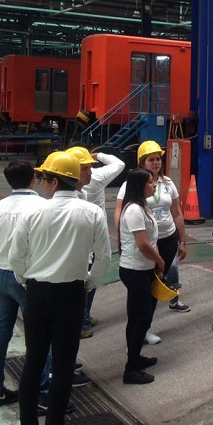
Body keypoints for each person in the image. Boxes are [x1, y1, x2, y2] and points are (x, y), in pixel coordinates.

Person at [9, 151, 111, 425]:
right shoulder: (91, 213)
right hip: (71, 294)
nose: (41, 182)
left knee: (33, 361)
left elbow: (15, 257)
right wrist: (88, 283)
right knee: (63, 366)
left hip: (37, 293)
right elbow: (104, 258)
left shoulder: (32, 213)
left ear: (54, 182)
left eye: (44, 178)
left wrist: (26, 281)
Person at [0, 160, 48, 410]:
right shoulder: (42, 207)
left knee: (1, 333)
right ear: (34, 179)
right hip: (27, 278)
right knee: (40, 336)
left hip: (0, 275)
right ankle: (41, 394)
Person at [114, 141, 191, 346]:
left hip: (167, 239)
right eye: (151, 159)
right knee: (140, 287)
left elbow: (177, 213)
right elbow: (119, 213)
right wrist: (122, 240)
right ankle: (137, 330)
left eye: (158, 159)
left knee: (157, 284)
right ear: (142, 162)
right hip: (144, 242)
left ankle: (145, 327)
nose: (156, 163)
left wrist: (182, 240)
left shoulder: (168, 184)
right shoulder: (131, 185)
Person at [65, 145, 125, 339]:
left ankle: (84, 317)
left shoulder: (65, 182)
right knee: (87, 279)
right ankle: (82, 322)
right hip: (92, 234)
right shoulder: (97, 178)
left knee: (84, 276)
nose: (89, 171)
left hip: (76, 234)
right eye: (86, 167)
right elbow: (119, 164)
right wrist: (98, 155)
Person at [117, 168, 166, 385]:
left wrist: (155, 265)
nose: (154, 185)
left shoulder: (143, 206)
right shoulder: (134, 210)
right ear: (139, 185)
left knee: (135, 316)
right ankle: (131, 370)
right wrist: (160, 261)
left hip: (143, 269)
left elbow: (150, 241)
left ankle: (135, 358)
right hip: (134, 270)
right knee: (143, 317)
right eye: (150, 182)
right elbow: (143, 244)